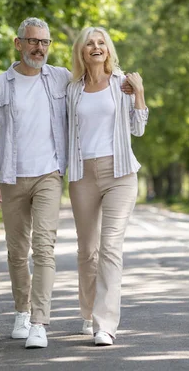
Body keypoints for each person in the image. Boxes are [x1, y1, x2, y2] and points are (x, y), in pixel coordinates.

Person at [0, 17, 70, 349]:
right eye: (33, 41)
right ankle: (21, 311)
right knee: (17, 251)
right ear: (18, 44)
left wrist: (126, 82)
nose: (39, 48)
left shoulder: (60, 79)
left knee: (44, 247)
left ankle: (39, 321)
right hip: (12, 177)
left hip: (49, 174)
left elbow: (95, 81)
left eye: (45, 42)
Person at [66, 26, 149, 346]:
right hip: (83, 175)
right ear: (81, 53)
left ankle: (106, 324)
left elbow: (138, 130)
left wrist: (140, 92)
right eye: (90, 44)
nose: (96, 47)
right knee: (88, 251)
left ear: (109, 50)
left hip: (121, 173)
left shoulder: (123, 84)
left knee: (110, 247)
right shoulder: (72, 89)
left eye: (101, 43)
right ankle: (88, 314)